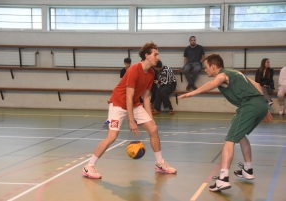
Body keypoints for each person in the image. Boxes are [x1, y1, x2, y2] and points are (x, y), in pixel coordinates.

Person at [82, 42, 177, 179]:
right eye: (155, 54)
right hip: (119, 104)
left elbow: (145, 97)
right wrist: (132, 121)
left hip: (134, 104)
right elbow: (128, 96)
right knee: (112, 137)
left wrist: (150, 119)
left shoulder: (151, 73)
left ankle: (160, 163)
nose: (158, 57)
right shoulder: (133, 69)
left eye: (158, 54)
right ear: (147, 55)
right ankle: (89, 166)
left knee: (153, 129)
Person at [178, 54, 272, 192]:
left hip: (249, 106)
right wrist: (264, 107)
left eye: (206, 67)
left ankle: (223, 178)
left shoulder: (222, 75)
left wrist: (193, 93)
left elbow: (214, 83)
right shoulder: (235, 72)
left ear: (213, 66)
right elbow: (257, 85)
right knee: (240, 135)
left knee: (229, 140)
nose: (205, 70)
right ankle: (247, 169)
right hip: (260, 104)